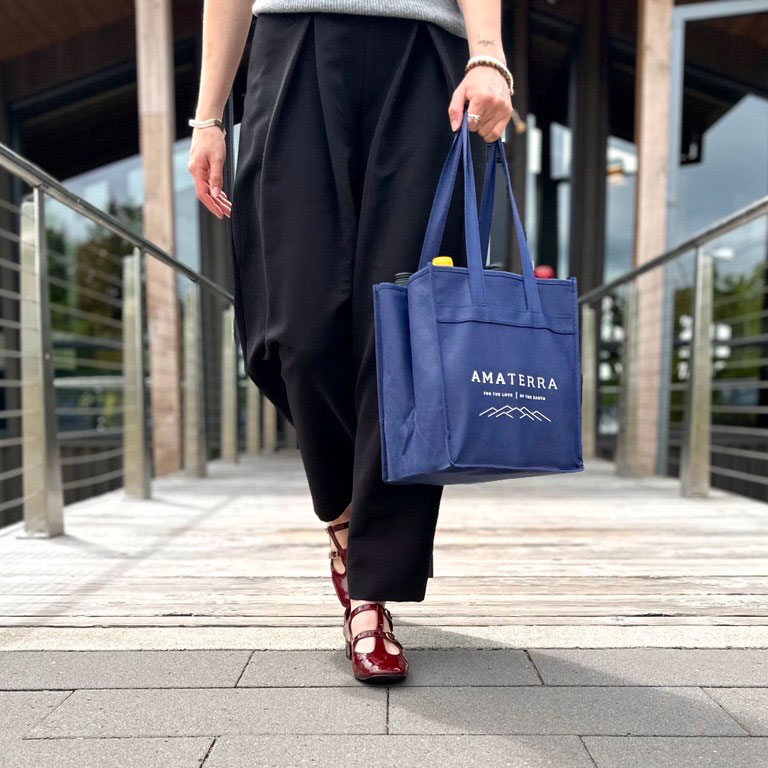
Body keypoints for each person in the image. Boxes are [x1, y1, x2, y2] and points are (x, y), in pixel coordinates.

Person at [188, 0, 514, 683]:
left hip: (426, 55)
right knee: (295, 329)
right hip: (292, 47)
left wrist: (487, 54)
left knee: (409, 334)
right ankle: (346, 526)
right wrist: (209, 115)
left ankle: (371, 593)